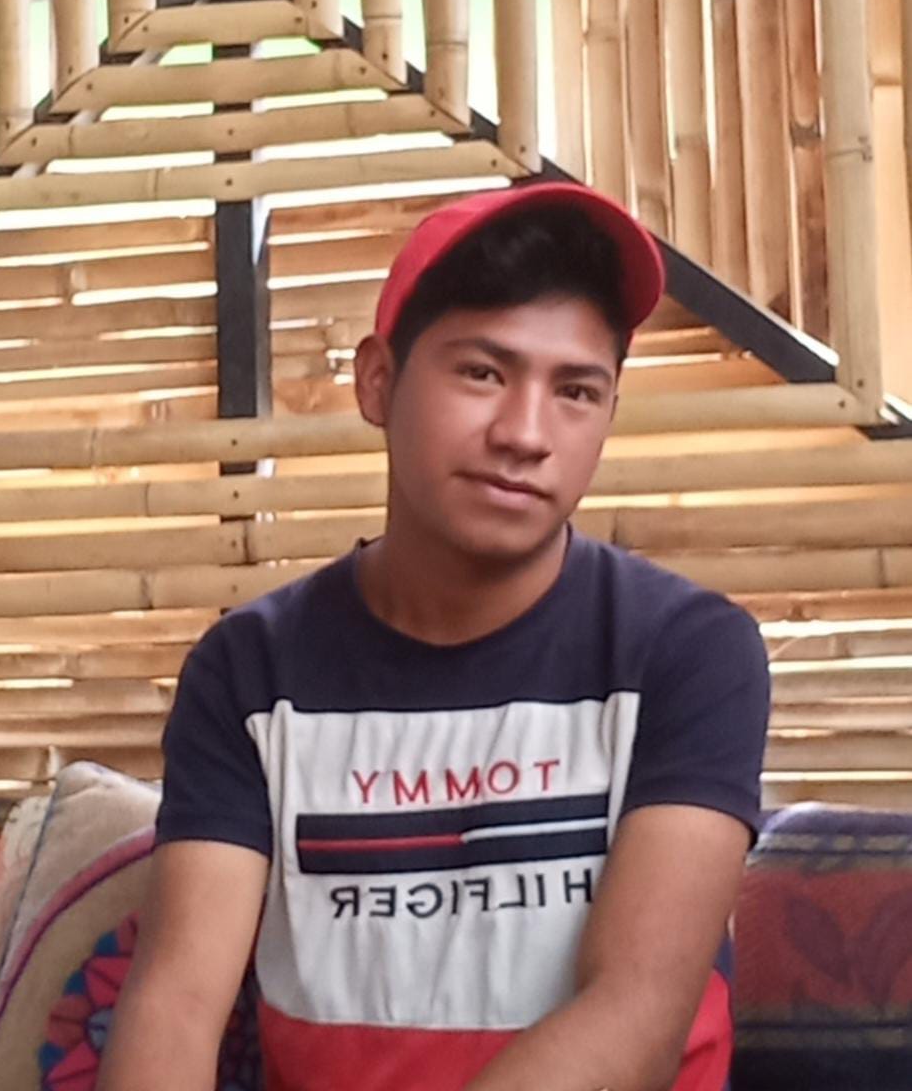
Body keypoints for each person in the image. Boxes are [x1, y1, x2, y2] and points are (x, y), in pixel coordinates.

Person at [97, 181, 770, 1091]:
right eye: (482, 373)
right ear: (378, 381)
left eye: (576, 390)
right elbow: (176, 1005)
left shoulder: (685, 652)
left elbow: (635, 1013)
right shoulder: (251, 670)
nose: (526, 434)